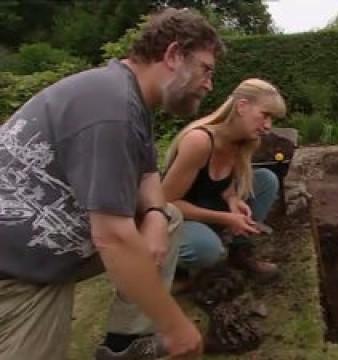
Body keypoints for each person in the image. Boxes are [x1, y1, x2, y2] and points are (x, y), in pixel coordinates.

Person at [0, 8, 224, 360]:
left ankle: (124, 345)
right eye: (206, 69)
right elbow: (113, 238)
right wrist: (175, 326)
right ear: (173, 55)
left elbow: (148, 171)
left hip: (40, 253)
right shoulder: (113, 108)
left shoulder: (130, 98)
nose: (209, 83)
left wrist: (153, 214)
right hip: (17, 273)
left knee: (168, 217)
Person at [162, 78, 286, 284]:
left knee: (266, 180)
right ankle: (178, 268)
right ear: (242, 106)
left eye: (272, 119)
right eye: (264, 115)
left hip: (209, 208)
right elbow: (165, 204)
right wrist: (226, 218)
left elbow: (224, 182)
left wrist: (233, 199)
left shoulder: (245, 141)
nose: (268, 126)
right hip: (178, 219)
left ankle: (239, 252)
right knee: (206, 250)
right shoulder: (199, 141)